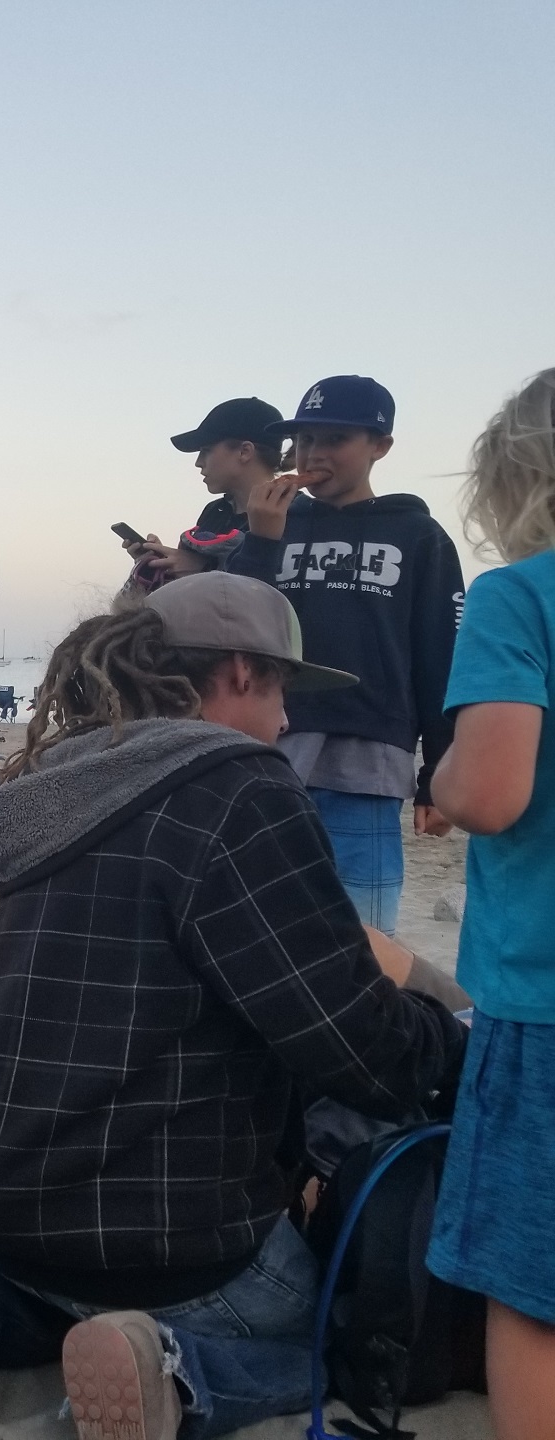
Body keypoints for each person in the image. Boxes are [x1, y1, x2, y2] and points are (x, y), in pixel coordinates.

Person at [0, 572, 465, 1440]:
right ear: (239, 671)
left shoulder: (66, 785)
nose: (286, 721)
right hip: (155, 1235)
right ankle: (176, 1377)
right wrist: (457, 1041)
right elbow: (353, 1042)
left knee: (72, 1279)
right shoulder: (240, 788)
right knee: (323, 1333)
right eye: (281, 690)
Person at [424, 368, 555, 1440]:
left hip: (543, 997)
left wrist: (442, 777)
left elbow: (492, 791)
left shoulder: (519, 597)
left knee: (533, 1285)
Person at [227, 376, 464, 929]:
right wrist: (260, 539)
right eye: (305, 440)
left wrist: (437, 772)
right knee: (260, 916)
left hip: (368, 753)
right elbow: (233, 622)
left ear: (380, 445)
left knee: (362, 927)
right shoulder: (272, 526)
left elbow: (441, 656)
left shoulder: (418, 535)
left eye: (336, 439)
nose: (315, 454)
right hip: (267, 745)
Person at [123, 397, 285, 587]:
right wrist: (160, 563)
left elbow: (280, 593)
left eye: (206, 450)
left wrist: (204, 570)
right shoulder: (214, 512)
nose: (198, 462)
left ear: (245, 452)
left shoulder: (298, 514)